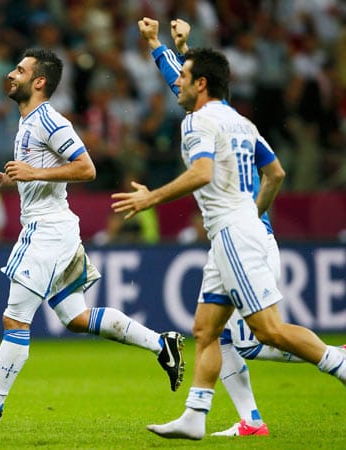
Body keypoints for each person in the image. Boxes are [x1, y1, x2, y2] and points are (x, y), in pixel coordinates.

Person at [111, 46, 346, 441]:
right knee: (206, 330)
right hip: (236, 230)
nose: (178, 84)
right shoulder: (241, 122)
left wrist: (151, 197)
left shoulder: (197, 122)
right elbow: (275, 172)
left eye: (183, 77)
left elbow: (202, 172)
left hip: (232, 233)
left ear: (201, 84)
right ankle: (195, 415)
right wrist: (253, 213)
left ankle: (338, 364)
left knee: (267, 331)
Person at [0, 48, 186, 428]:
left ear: (39, 82)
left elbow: (86, 168)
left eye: (20, 70)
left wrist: (33, 174)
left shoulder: (50, 121)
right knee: (75, 317)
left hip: (47, 231)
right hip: (57, 229)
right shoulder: (26, 122)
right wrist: (7, 179)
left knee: (15, 319)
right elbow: (39, 172)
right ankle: (161, 344)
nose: (10, 74)